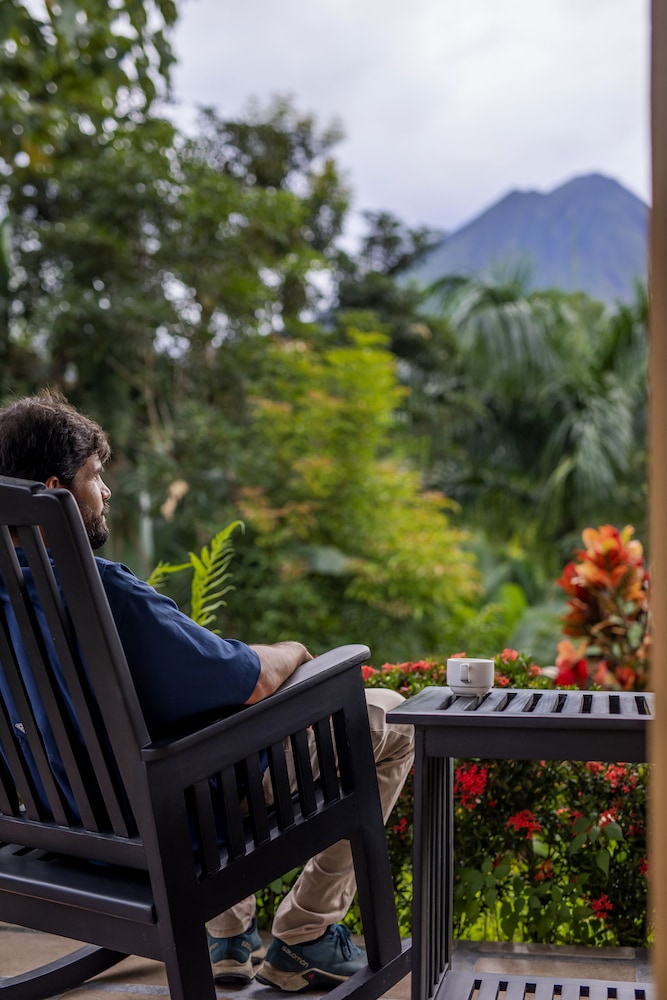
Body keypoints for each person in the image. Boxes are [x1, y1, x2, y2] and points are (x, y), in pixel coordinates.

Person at [0, 390, 415, 993]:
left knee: (193, 734)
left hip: (65, 828)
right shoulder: (105, 595)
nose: (106, 492)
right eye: (95, 476)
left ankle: (229, 936)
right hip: (170, 829)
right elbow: (251, 680)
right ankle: (306, 934)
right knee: (391, 719)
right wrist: (295, 651)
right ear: (56, 490)